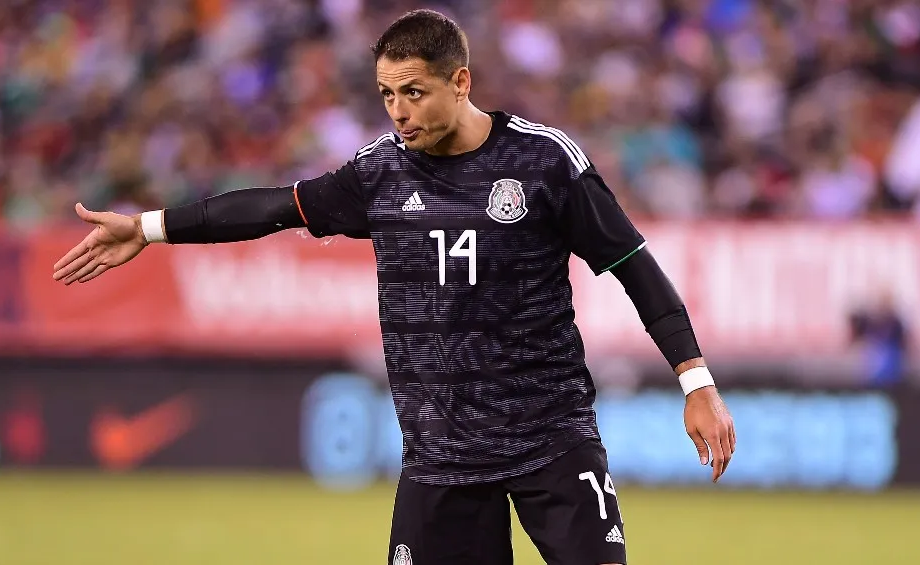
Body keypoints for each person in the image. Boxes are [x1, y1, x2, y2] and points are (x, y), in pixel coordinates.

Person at [53, 9, 735, 565]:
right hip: (439, 458)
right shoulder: (378, 174)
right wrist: (147, 227)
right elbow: (270, 208)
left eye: (414, 91)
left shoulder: (543, 162)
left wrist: (695, 381)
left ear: (460, 81)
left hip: (550, 438)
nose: (398, 111)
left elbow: (632, 266)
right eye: (386, 94)